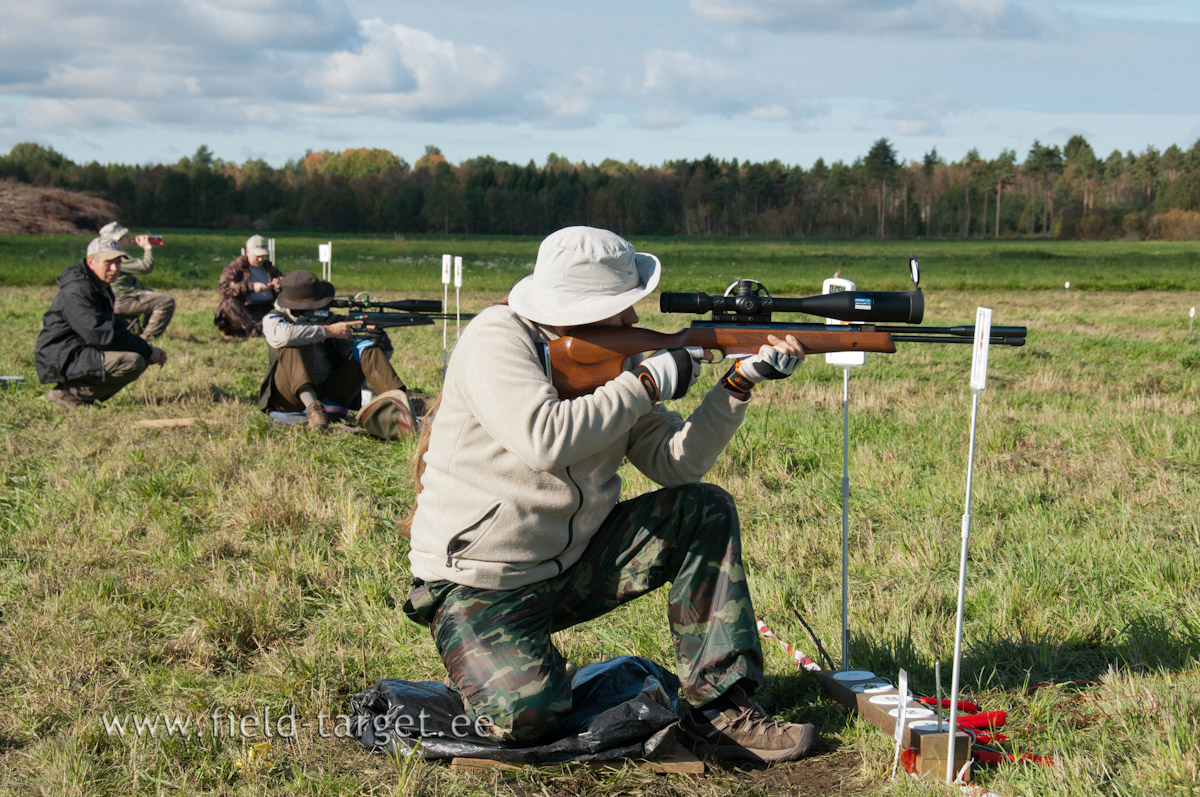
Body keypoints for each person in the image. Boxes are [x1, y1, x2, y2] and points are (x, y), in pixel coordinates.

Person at [404, 226, 815, 763]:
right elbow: (545, 439)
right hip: (479, 582)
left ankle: (721, 710)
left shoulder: (616, 360)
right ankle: (514, 673)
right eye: (622, 310)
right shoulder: (496, 338)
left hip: (571, 565)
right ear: (581, 308)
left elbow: (676, 462)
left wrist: (738, 383)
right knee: (526, 718)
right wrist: (645, 384)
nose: (632, 320)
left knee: (703, 509)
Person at [258, 269, 410, 430]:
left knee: (367, 346)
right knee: (294, 342)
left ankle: (402, 406)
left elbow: (370, 360)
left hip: (330, 393)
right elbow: (285, 336)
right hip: (289, 400)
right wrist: (329, 332)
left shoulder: (328, 320)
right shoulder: (273, 319)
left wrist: (380, 341)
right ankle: (313, 408)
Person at [35, 237, 168, 409]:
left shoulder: (99, 286)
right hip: (64, 356)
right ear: (91, 262)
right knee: (132, 361)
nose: (115, 269)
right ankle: (67, 394)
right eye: (108, 263)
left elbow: (114, 326)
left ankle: (76, 396)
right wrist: (146, 350)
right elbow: (102, 335)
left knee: (137, 356)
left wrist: (145, 347)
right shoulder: (78, 291)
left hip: (79, 349)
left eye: (118, 263)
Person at [99, 221, 175, 340]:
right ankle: (146, 338)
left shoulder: (106, 255)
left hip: (115, 298)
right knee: (166, 302)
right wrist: (148, 248)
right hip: (122, 300)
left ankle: (140, 330)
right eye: (124, 236)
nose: (128, 238)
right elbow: (145, 267)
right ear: (116, 240)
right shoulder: (117, 257)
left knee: (150, 293)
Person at [215, 235, 283, 337]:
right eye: (257, 256)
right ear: (247, 252)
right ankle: (254, 330)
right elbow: (225, 289)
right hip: (244, 309)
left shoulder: (269, 268)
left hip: (267, 307)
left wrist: (279, 283)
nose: (261, 259)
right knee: (229, 303)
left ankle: (265, 327)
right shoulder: (235, 268)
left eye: (263, 256)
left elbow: (286, 280)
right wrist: (251, 287)